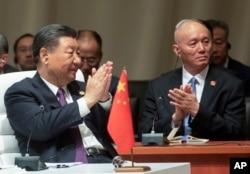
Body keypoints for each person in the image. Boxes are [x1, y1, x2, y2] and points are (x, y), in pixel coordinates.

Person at [4, 24, 118, 163]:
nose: (78, 61)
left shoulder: (83, 89)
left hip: (107, 161)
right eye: (71, 53)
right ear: (45, 55)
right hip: (64, 166)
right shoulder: (20, 93)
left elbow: (110, 132)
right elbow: (41, 128)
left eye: (78, 54)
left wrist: (102, 100)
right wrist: (88, 100)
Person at [139, 19, 245, 141]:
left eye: (206, 42)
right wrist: (175, 119)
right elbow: (144, 133)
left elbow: (236, 133)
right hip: (169, 156)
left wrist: (198, 111)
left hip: (210, 156)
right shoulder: (158, 86)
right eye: (193, 43)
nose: (202, 49)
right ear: (177, 50)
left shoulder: (231, 84)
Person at [206, 19, 250, 97]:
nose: (214, 50)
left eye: (218, 43)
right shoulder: (192, 72)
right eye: (207, 43)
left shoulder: (246, 75)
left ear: (228, 44)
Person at [77, 30, 118, 96]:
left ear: (100, 56)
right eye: (80, 59)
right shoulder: (63, 82)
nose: (85, 66)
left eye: (91, 60)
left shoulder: (114, 84)